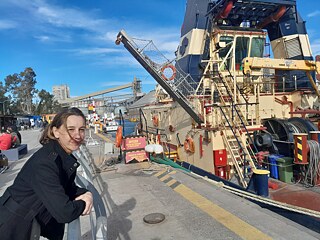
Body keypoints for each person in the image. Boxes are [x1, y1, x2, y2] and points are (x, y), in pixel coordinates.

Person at [0, 107, 93, 240]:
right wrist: (84, 203)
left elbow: (65, 187)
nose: (77, 135)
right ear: (56, 132)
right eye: (70, 129)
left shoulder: (60, 157)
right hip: (10, 226)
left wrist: (85, 193)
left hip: (24, 223)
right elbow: (64, 212)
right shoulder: (46, 163)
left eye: (81, 129)